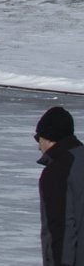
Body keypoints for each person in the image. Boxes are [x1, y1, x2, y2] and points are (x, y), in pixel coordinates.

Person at [37, 105, 82, 266]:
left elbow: (60, 229)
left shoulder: (58, 171)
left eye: (38, 138)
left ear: (48, 138)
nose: (38, 146)